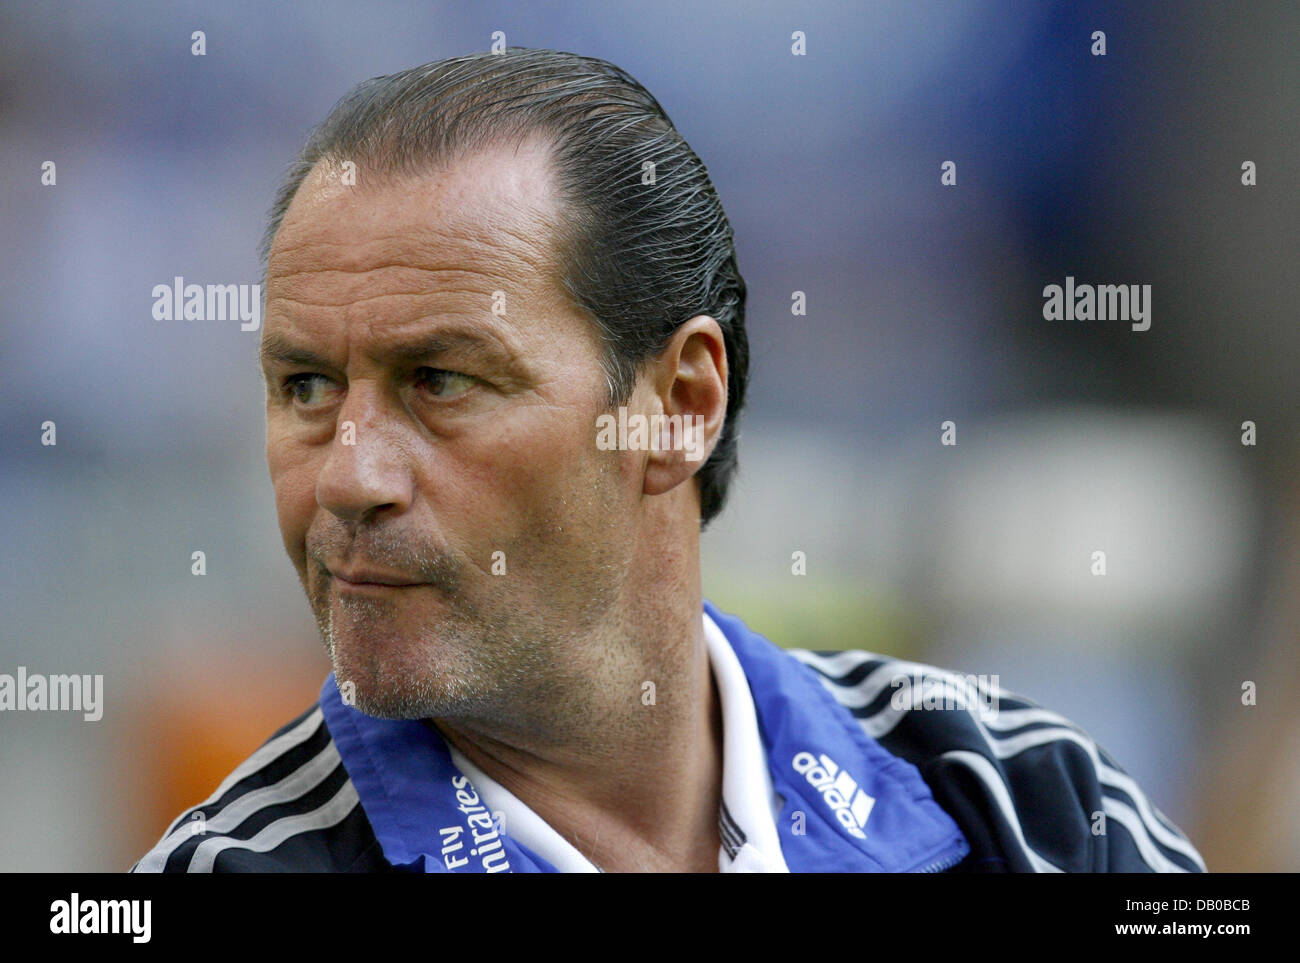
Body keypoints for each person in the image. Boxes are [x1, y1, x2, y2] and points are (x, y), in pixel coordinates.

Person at [132, 48, 1205, 873]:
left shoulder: (1033, 805)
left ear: (679, 403)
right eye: (306, 388)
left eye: (441, 381)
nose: (347, 477)